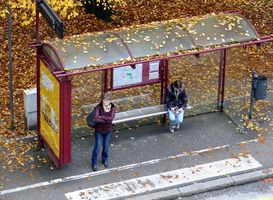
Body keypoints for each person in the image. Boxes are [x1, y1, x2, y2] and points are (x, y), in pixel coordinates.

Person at [91, 92, 116, 171]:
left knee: (106, 147)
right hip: (99, 130)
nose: (105, 102)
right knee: (97, 147)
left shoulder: (113, 108)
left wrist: (101, 116)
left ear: (110, 101)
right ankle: (94, 163)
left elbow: (111, 118)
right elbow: (96, 119)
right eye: (104, 100)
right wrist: (106, 119)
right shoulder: (98, 107)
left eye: (107, 101)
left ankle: (104, 160)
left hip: (108, 130)